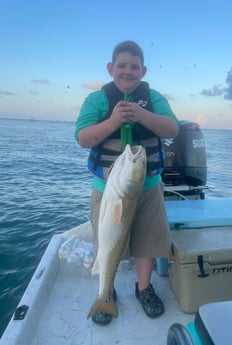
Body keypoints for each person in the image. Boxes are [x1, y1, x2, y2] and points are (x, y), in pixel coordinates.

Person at [75, 40, 179, 325]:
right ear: (111, 68)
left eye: (134, 66)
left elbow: (172, 128)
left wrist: (141, 114)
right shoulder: (98, 100)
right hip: (107, 191)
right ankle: (105, 293)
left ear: (143, 71)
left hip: (147, 190)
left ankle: (143, 288)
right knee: (107, 242)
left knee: (146, 240)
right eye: (122, 65)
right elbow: (83, 138)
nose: (128, 71)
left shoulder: (153, 97)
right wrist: (112, 122)